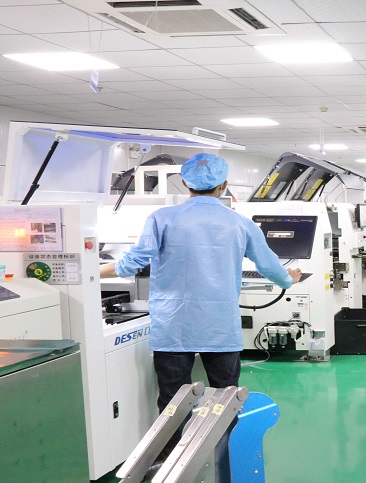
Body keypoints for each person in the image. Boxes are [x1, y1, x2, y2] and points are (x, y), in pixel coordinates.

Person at [99, 153, 302, 462]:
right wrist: (289, 279)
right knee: (226, 398)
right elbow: (269, 265)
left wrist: (90, 272)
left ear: (184, 183)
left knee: (173, 401)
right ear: (224, 184)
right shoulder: (241, 223)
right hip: (220, 326)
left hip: (173, 324)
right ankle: (224, 461)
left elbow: (131, 263)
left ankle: (169, 463)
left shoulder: (161, 218)